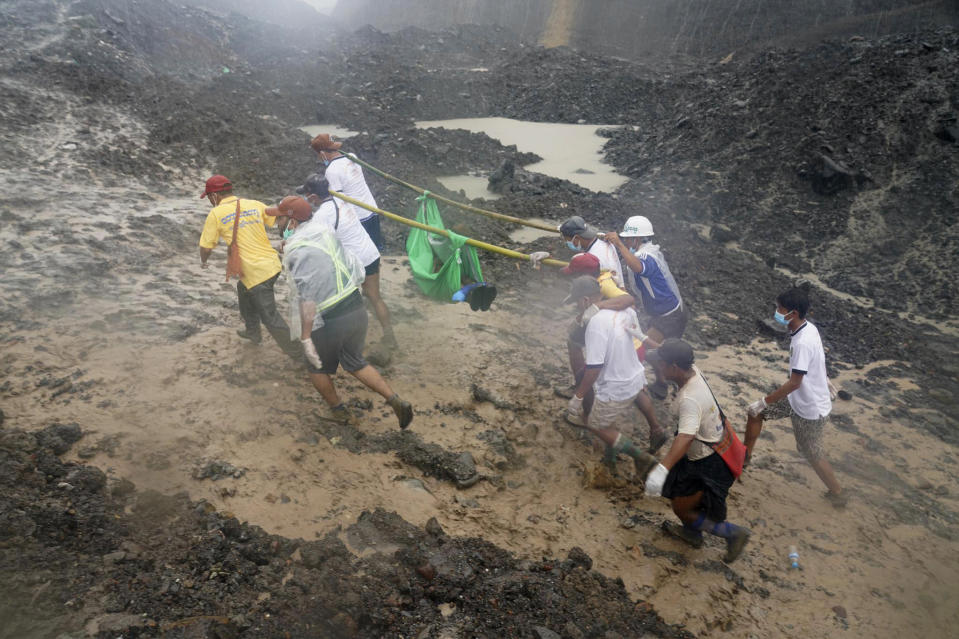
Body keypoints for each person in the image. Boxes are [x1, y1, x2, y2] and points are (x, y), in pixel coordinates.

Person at [267, 196, 413, 429]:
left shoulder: (297, 249)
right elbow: (348, 264)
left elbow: (308, 298)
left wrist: (306, 337)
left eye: (280, 218)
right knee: (355, 361)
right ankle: (395, 400)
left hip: (331, 318)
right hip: (355, 307)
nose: (276, 223)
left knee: (315, 366)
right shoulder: (324, 231)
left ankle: (340, 412)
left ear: (292, 222)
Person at [644, 339, 751, 563]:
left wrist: (662, 469)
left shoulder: (689, 399)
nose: (659, 368)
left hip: (707, 461)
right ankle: (693, 532)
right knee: (681, 499)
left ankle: (731, 534)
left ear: (674, 367)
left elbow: (686, 436)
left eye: (662, 364)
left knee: (682, 507)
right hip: (715, 445)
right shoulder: (692, 370)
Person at [744, 286, 846, 507]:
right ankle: (745, 458)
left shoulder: (801, 342)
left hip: (809, 408)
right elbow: (816, 361)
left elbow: (794, 382)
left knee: (811, 452)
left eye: (780, 309)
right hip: (796, 399)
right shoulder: (809, 329)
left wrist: (764, 400)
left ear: (794, 313)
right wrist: (824, 378)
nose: (777, 312)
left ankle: (838, 493)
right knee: (756, 414)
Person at [560, 253, 667, 452]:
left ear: (584, 300)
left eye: (576, 302)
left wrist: (579, 396)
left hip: (623, 349)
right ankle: (656, 429)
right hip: (631, 346)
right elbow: (628, 306)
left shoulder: (598, 314)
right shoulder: (605, 286)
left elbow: (594, 367)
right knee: (636, 389)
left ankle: (633, 452)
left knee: (596, 415)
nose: (576, 306)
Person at [197, 175, 298, 358]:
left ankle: (299, 354)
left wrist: (204, 261)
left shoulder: (215, 214)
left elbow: (205, 247)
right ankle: (252, 331)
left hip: (256, 272)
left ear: (214, 196)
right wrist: (288, 235)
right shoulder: (254, 204)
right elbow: (278, 218)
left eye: (210, 197)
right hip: (272, 264)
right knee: (243, 289)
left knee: (270, 316)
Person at [297, 173, 397, 349]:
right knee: (375, 297)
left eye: (307, 196)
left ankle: (348, 341)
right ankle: (390, 336)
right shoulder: (341, 200)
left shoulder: (322, 216)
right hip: (370, 253)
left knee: (343, 302)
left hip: (355, 261)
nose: (307, 200)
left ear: (313, 196)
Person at [606, 216, 687, 399]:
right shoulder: (648, 251)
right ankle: (662, 385)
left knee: (647, 351)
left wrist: (619, 245)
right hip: (667, 312)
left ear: (638, 239)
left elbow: (637, 267)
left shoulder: (646, 256)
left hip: (669, 315)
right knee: (658, 353)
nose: (626, 241)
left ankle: (648, 388)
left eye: (628, 239)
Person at [310, 133, 385, 252]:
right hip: (372, 210)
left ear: (322, 154)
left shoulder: (331, 171)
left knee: (361, 257)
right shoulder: (352, 156)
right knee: (374, 252)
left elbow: (339, 200)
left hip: (359, 218)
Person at [558, 216, 624, 287]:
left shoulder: (594, 260)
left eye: (567, 240)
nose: (567, 242)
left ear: (576, 238)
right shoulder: (604, 243)